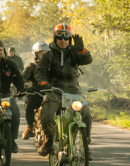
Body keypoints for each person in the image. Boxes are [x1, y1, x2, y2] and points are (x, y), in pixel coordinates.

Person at [35, 24, 92, 157]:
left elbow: (87, 60)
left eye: (67, 37)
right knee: (46, 114)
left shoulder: (74, 52)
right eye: (60, 37)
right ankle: (49, 139)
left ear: (70, 39)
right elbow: (39, 71)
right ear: (55, 38)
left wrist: (82, 50)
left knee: (86, 113)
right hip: (54, 89)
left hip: (73, 90)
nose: (63, 40)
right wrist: (43, 82)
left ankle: (85, 144)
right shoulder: (47, 55)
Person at [21, 41, 47, 139]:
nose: (43, 55)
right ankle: (30, 126)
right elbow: (23, 78)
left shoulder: (52, 66)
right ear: (36, 54)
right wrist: (25, 85)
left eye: (46, 53)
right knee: (29, 105)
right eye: (41, 52)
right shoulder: (31, 66)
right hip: (35, 93)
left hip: (49, 93)